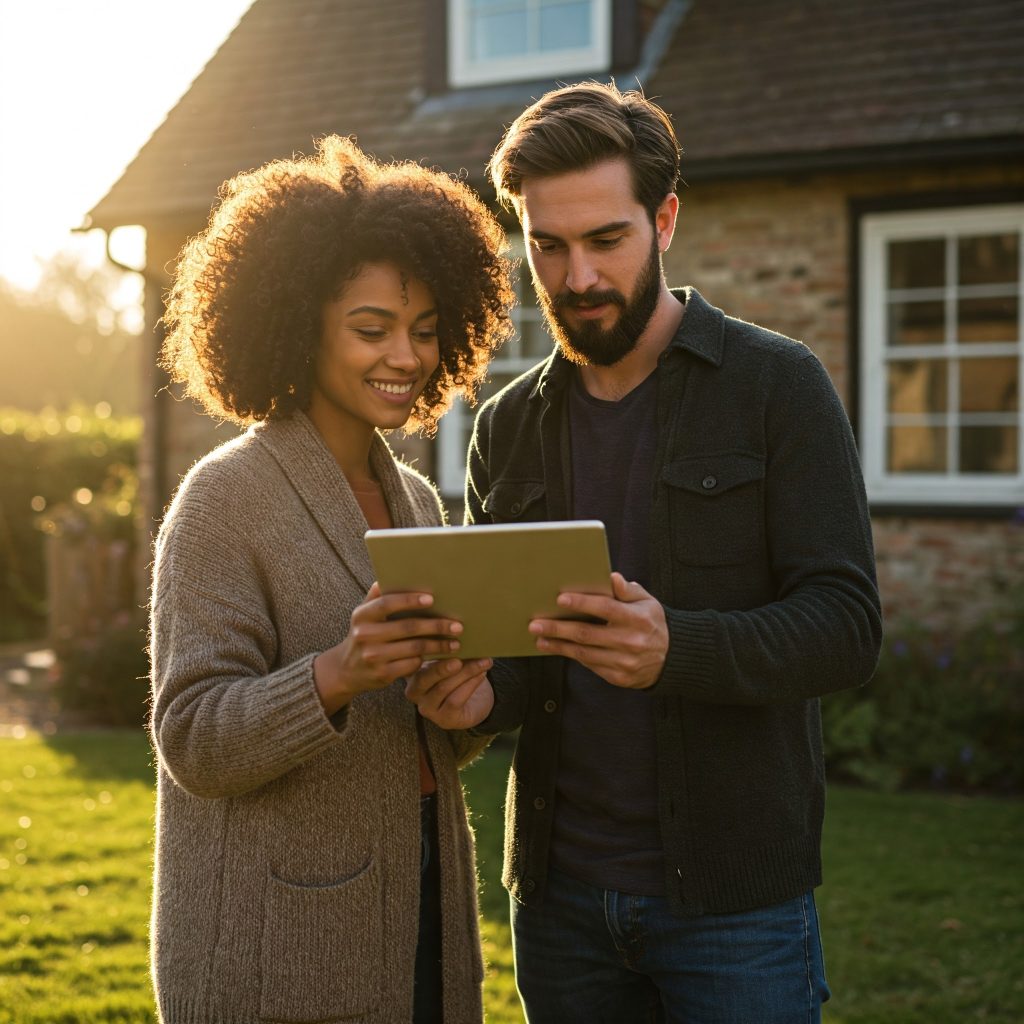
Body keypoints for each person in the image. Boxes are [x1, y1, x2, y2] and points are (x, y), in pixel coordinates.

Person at [408, 82, 883, 1023]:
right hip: (558, 901)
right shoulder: (506, 425)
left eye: (605, 240)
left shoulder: (776, 386)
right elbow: (523, 654)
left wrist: (679, 650)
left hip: (734, 907)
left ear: (664, 218)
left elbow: (846, 626)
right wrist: (482, 694)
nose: (575, 277)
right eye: (547, 246)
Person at [149, 135, 513, 1024]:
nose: (407, 356)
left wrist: (462, 714)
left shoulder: (419, 500)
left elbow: (419, 736)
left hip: (420, 894)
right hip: (283, 937)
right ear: (296, 321)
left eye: (426, 331)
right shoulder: (225, 499)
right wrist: (337, 673)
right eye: (371, 329)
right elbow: (192, 738)